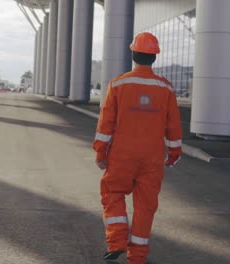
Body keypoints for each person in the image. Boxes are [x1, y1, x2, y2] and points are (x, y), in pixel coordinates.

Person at [93, 32, 182, 264]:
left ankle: (117, 241)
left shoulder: (119, 84)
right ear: (155, 57)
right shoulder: (166, 88)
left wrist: (101, 151)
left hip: (122, 155)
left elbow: (106, 123)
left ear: (133, 54)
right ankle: (138, 257)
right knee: (145, 207)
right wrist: (173, 154)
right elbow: (173, 126)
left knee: (112, 192)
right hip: (152, 158)